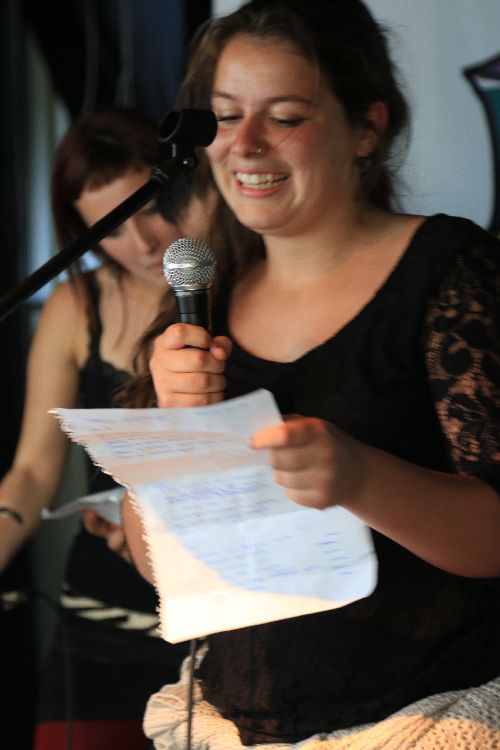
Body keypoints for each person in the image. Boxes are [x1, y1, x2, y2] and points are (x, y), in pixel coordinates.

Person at [122, 1, 500, 748]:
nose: (245, 145)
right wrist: (169, 432)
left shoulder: (451, 272)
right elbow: (161, 566)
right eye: (225, 117)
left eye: (286, 116)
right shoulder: (204, 295)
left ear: (366, 129)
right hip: (234, 720)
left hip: (422, 718)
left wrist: (361, 478)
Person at [0, 106, 214, 750]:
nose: (144, 242)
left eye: (152, 209)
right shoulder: (78, 305)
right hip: (103, 612)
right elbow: (32, 470)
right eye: (112, 228)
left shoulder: (236, 286)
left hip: (220, 613)